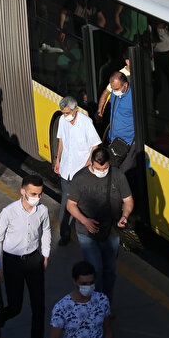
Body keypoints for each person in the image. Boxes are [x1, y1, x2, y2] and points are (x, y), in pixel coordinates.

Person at [0, 174, 53, 338]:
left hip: (34, 260)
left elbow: (47, 230)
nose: (37, 197)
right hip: (13, 262)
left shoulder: (42, 210)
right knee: (15, 306)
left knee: (39, 308)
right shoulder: (8, 212)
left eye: (40, 194)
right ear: (23, 192)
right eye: (33, 193)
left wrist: (45, 254)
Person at [66, 147, 133, 304]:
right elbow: (71, 205)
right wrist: (85, 221)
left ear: (110, 163)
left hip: (111, 231)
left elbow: (128, 200)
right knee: (96, 269)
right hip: (87, 233)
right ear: (92, 162)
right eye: (97, 168)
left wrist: (125, 216)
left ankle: (106, 304)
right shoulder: (80, 178)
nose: (101, 171)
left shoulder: (117, 175)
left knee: (109, 271)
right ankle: (97, 306)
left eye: (104, 168)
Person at [54, 96, 101, 247]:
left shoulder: (86, 123)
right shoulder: (63, 120)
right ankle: (65, 234)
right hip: (66, 171)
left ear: (76, 110)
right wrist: (58, 159)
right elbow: (61, 141)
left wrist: (87, 167)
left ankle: (89, 235)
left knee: (84, 205)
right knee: (66, 204)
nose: (65, 115)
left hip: (81, 173)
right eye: (63, 112)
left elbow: (95, 147)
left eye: (67, 112)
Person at [105, 72, 137, 173]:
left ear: (125, 85)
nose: (114, 92)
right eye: (113, 88)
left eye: (117, 89)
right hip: (113, 141)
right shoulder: (115, 94)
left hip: (128, 145)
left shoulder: (134, 99)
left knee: (125, 174)